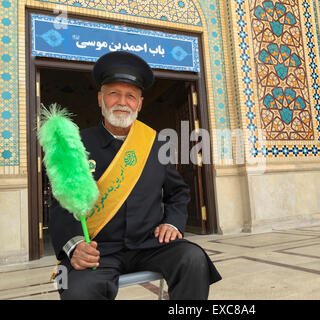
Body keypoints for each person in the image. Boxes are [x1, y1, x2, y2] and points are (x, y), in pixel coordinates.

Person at [49, 51, 221, 300]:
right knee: (79, 291)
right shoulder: (76, 144)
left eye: (131, 96)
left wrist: (172, 222)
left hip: (150, 245)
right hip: (99, 250)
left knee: (193, 259)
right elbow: (61, 202)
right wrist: (75, 245)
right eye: (113, 94)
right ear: (100, 98)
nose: (122, 102)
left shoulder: (156, 143)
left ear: (139, 103)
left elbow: (178, 192)